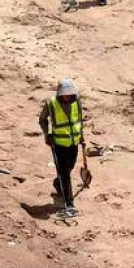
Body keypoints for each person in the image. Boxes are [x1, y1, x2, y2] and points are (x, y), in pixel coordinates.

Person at [39, 79, 86, 216]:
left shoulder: (76, 101)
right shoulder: (51, 103)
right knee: (65, 173)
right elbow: (42, 119)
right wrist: (47, 135)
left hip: (73, 143)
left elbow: (79, 120)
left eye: (69, 94)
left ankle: (58, 185)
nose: (67, 96)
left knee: (70, 167)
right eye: (65, 94)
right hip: (59, 144)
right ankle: (69, 204)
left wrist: (81, 136)